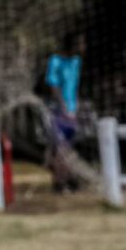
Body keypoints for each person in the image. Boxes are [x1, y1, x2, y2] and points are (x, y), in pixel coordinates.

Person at [44, 32, 86, 191]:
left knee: (69, 147)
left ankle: (67, 178)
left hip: (72, 110)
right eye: (81, 43)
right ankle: (60, 182)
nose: (83, 47)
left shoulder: (76, 62)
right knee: (60, 147)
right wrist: (63, 108)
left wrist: (76, 107)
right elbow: (53, 87)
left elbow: (75, 86)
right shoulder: (55, 61)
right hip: (58, 111)